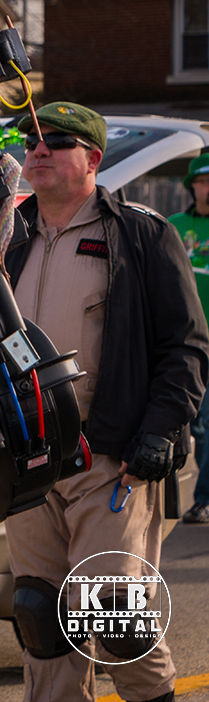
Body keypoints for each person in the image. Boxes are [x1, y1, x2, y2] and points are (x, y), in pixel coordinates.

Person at [3, 102, 209, 702]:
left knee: (112, 618)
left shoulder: (142, 234)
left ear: (93, 159)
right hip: (29, 461)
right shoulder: (6, 238)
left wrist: (161, 428)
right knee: (41, 619)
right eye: (32, 140)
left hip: (108, 456)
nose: (38, 150)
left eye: (57, 142)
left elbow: (186, 345)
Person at [167, 153, 209, 524]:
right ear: (192, 185)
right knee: (196, 426)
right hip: (187, 342)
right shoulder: (174, 226)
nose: (207, 188)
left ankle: (204, 498)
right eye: (203, 181)